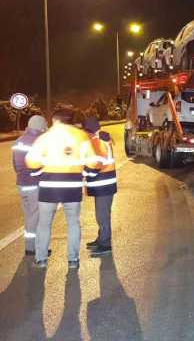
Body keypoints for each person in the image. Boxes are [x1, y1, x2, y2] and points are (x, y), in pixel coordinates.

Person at [25, 109, 100, 269]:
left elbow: (31, 162)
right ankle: (73, 260)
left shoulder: (45, 137)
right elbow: (94, 163)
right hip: (72, 187)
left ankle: (41, 258)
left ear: (55, 121)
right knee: (73, 223)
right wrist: (84, 171)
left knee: (44, 224)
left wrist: (41, 167)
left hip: (48, 186)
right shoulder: (81, 136)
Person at [11, 115, 48, 256]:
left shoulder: (18, 141)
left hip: (21, 183)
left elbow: (15, 165)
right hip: (34, 183)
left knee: (28, 215)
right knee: (35, 216)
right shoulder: (39, 142)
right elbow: (41, 164)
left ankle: (30, 245)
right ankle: (33, 248)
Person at [83, 117, 117, 255]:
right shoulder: (101, 139)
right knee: (102, 215)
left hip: (103, 184)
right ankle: (101, 239)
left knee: (102, 216)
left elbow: (97, 163)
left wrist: (84, 173)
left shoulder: (98, 141)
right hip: (104, 184)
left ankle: (105, 244)